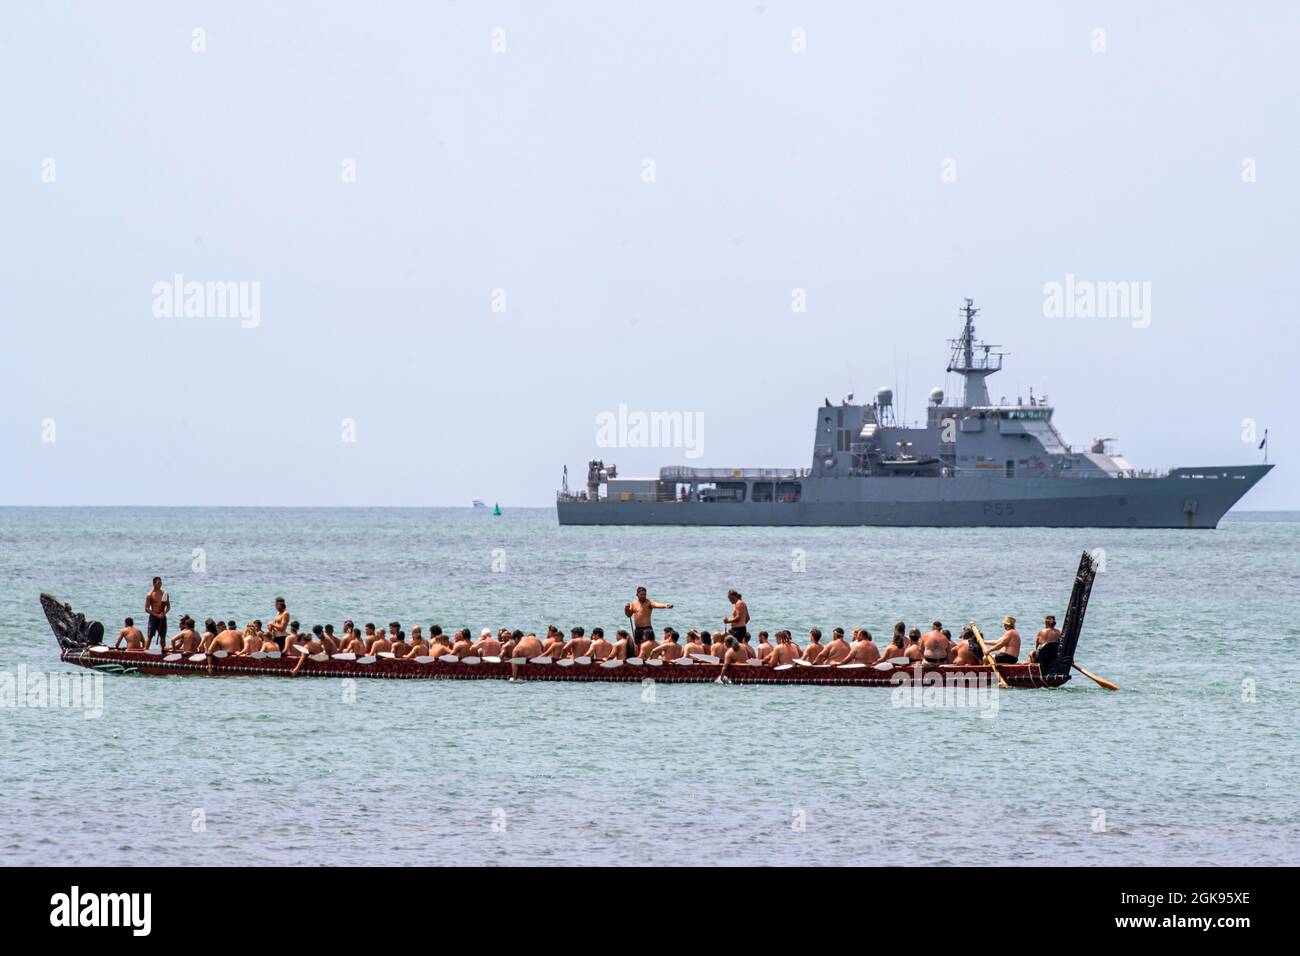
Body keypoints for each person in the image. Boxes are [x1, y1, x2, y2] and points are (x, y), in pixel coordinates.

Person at [144, 577, 170, 651]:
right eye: (158, 583)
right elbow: (146, 608)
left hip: (162, 617)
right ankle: (146, 650)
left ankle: (163, 651)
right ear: (154, 584)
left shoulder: (164, 594)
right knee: (150, 635)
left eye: (161, 583)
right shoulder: (150, 594)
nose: (160, 584)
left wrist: (164, 613)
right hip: (153, 617)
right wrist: (157, 615)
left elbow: (168, 607)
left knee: (163, 636)